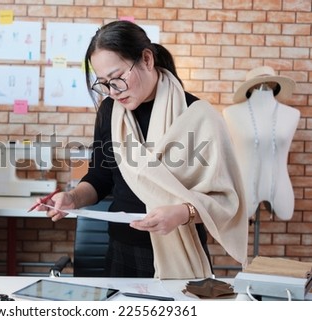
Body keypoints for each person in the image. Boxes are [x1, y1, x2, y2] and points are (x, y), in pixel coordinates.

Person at [35, 20, 248, 279]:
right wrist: (73, 198)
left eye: (117, 78)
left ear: (147, 59)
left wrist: (182, 213)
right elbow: (100, 178)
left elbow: (226, 201)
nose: (113, 92)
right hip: (121, 252)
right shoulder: (110, 112)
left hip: (180, 253)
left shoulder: (198, 116)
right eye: (103, 82)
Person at [223, 66, 300, 220]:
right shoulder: (231, 113)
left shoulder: (292, 114)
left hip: (280, 186)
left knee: (285, 213)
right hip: (245, 185)